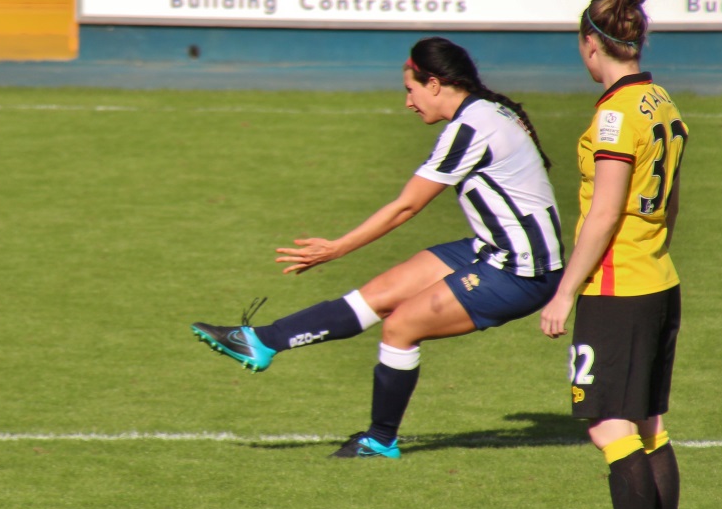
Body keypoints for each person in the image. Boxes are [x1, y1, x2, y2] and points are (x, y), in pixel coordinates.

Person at [191, 36, 564, 459]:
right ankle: (261, 341)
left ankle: (380, 440)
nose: (408, 103)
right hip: (493, 249)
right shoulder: (488, 112)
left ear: (435, 84)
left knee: (400, 327)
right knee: (381, 294)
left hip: (520, 271)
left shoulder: (471, 130)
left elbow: (406, 206)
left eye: (410, 90)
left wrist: (337, 248)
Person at [539, 0, 687, 509]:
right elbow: (671, 203)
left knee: (609, 426)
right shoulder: (660, 100)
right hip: (658, 280)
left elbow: (602, 213)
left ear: (589, 44)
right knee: (649, 427)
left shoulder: (614, 115)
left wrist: (564, 292)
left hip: (615, 288)